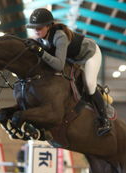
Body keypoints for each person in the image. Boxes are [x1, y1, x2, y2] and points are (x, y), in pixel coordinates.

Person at [26, 8, 111, 136]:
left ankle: (104, 120)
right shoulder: (40, 38)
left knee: (89, 85)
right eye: (34, 27)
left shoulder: (59, 36)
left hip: (90, 54)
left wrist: (41, 52)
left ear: (48, 26)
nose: (36, 30)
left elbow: (59, 65)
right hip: (72, 58)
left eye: (39, 27)